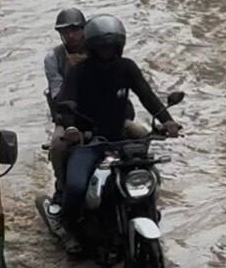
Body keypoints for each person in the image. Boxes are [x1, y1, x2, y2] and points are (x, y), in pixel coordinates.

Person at [50, 15, 181, 248]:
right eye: (101, 48)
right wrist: (71, 128)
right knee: (77, 186)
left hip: (120, 138)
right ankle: (68, 225)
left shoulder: (126, 67)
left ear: (119, 46)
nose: (106, 52)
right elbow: (65, 102)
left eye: (110, 47)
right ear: (92, 47)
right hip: (89, 142)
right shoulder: (79, 72)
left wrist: (167, 121)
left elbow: (147, 96)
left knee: (150, 175)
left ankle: (147, 213)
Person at [44, 8, 87, 207]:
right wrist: (72, 70)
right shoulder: (54, 58)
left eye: (75, 30)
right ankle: (61, 188)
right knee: (57, 147)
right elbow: (58, 95)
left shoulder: (99, 49)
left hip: (102, 113)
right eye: (66, 31)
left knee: (139, 134)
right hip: (68, 118)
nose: (71, 35)